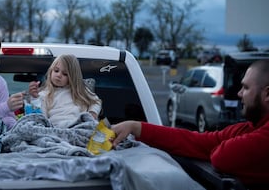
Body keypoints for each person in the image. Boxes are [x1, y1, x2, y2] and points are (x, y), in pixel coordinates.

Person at [111, 59, 269, 187]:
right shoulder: (248, 128)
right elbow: (196, 141)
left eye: (246, 88)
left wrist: (215, 149)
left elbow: (222, 157)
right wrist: (137, 127)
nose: (239, 93)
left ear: (267, 94)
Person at [28, 54, 102, 128]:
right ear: (50, 71)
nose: (59, 75)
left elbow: (96, 101)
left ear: (72, 77)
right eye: (56, 70)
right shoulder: (44, 94)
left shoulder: (80, 91)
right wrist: (35, 98)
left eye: (65, 74)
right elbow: (41, 117)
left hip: (79, 126)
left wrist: (92, 113)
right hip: (56, 129)